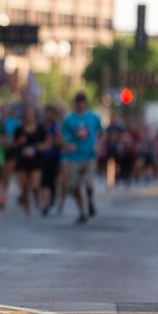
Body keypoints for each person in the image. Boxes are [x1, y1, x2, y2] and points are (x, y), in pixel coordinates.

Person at [60, 91, 103, 225]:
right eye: (78, 103)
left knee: (88, 182)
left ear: (86, 104)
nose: (80, 106)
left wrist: (98, 145)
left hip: (90, 155)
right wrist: (66, 144)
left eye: (82, 103)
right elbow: (62, 136)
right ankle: (82, 212)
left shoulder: (94, 117)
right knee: (75, 187)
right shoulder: (68, 120)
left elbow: (101, 133)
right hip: (74, 157)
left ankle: (90, 200)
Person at [13, 105, 46, 216]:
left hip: (36, 160)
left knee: (34, 185)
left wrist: (40, 147)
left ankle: (38, 197)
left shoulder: (40, 129)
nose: (29, 117)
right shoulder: (19, 129)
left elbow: (47, 143)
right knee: (24, 187)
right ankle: (28, 211)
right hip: (22, 161)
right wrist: (19, 142)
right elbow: (13, 144)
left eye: (31, 114)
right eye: (27, 114)